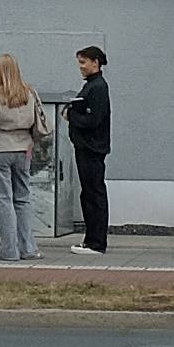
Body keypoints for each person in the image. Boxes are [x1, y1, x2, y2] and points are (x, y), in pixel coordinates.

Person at [0, 53, 51, 263]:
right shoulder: (30, 95)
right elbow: (38, 123)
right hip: (24, 148)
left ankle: (9, 250)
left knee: (4, 200)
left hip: (0, 149)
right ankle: (28, 247)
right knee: (23, 199)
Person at [68, 45, 112, 255]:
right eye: (80, 63)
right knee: (89, 194)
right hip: (87, 147)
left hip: (91, 148)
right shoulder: (92, 86)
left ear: (96, 62)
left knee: (94, 195)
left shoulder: (98, 87)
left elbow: (94, 119)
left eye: (84, 62)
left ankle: (96, 242)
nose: (81, 67)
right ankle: (91, 239)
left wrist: (71, 116)